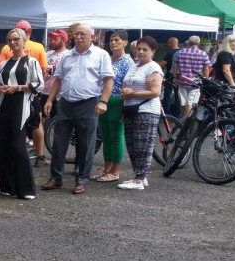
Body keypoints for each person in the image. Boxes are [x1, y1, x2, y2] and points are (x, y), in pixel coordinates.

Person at [41, 23, 113, 195]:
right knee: (58, 142)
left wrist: (103, 101)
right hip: (65, 102)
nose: (78, 37)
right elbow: (58, 79)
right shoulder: (67, 56)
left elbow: (108, 80)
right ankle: (56, 177)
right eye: (76, 34)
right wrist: (50, 100)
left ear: (92, 37)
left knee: (86, 143)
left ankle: (81, 179)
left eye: (83, 34)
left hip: (88, 103)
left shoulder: (101, 55)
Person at [0, 29, 43, 199]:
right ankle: (8, 186)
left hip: (21, 105)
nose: (13, 43)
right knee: (5, 145)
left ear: (24, 41)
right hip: (5, 105)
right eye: (10, 40)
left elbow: (39, 84)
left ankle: (26, 188)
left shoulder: (31, 62)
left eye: (16, 39)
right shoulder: (3, 64)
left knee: (17, 145)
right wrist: (1, 89)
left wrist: (18, 88)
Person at [118, 36, 163, 190]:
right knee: (131, 143)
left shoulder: (153, 67)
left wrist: (133, 94)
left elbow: (155, 92)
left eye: (145, 49)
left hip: (146, 110)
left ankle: (139, 179)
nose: (141, 52)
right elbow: (125, 86)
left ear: (153, 52)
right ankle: (139, 176)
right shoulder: (134, 66)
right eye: (139, 49)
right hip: (131, 109)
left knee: (142, 144)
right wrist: (124, 91)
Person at [93, 30, 134, 183]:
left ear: (125, 42)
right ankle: (106, 169)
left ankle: (115, 171)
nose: (113, 43)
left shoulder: (128, 62)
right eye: (111, 40)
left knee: (116, 136)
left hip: (118, 99)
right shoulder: (107, 59)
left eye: (117, 40)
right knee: (105, 136)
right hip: (103, 99)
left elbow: (129, 83)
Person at [35, 29, 70, 167]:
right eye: (51, 38)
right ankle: (40, 154)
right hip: (44, 92)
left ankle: (58, 155)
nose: (51, 41)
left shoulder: (67, 55)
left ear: (63, 40)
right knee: (39, 123)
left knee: (59, 126)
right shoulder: (47, 54)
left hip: (59, 95)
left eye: (55, 39)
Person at [172, 35, 211, 119]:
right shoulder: (203, 54)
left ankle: (182, 119)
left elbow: (175, 66)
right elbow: (206, 69)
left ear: (189, 42)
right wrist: (205, 80)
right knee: (191, 102)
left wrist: (175, 78)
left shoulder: (180, 53)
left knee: (183, 102)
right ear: (199, 43)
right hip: (196, 83)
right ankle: (187, 122)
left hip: (182, 81)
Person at [159, 36, 181, 117]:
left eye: (168, 43)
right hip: (180, 77)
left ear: (172, 43)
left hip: (170, 76)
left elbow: (162, 64)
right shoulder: (182, 51)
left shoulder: (171, 53)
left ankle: (167, 112)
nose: (167, 45)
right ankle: (177, 112)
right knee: (177, 95)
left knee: (167, 94)